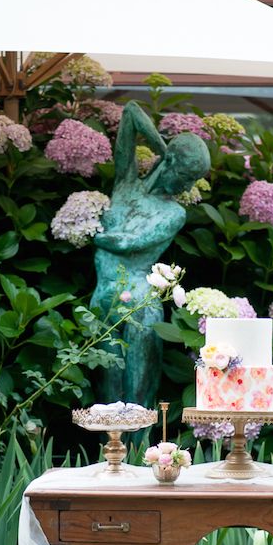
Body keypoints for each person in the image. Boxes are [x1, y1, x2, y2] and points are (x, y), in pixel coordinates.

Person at [91, 100, 210, 406]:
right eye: (185, 176)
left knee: (138, 395)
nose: (186, 186)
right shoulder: (125, 183)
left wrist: (88, 230)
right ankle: (111, 455)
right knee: (106, 394)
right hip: (103, 298)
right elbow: (130, 111)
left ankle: (141, 454)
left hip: (140, 307)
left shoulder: (173, 213)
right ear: (168, 163)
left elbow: (129, 243)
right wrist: (163, 148)